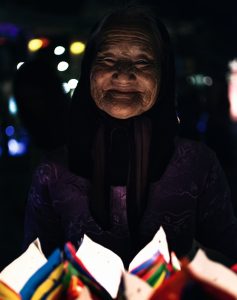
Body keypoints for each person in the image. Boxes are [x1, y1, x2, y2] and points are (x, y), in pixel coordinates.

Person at [22, 6, 237, 268]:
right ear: (89, 70)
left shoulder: (197, 165)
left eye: (143, 62)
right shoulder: (53, 171)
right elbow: (34, 274)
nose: (123, 74)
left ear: (163, 73)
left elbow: (228, 262)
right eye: (107, 60)